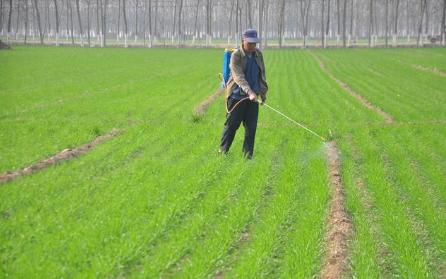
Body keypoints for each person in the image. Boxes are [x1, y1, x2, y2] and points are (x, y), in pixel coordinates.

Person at [219, 29, 268, 159]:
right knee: (232, 126)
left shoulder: (258, 54)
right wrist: (249, 92)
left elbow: (261, 74)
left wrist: (262, 94)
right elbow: (238, 77)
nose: (253, 46)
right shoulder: (236, 55)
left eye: (255, 43)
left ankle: (247, 157)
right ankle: (223, 152)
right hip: (236, 97)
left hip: (252, 98)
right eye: (250, 43)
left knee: (251, 128)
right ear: (243, 41)